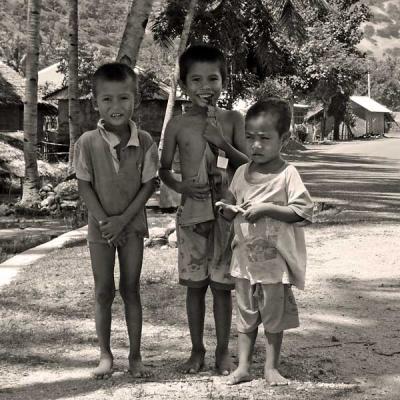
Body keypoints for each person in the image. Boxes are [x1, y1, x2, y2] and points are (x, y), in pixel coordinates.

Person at [159, 44, 248, 375]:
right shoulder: (178, 125)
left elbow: (249, 167)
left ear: (224, 82)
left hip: (227, 215)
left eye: (213, 79)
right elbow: (164, 170)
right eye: (196, 80)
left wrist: (222, 142)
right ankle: (197, 350)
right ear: (184, 85)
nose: (205, 87)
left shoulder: (234, 120)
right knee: (195, 288)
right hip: (192, 216)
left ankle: (223, 352)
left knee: (222, 288)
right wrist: (181, 187)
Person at [216, 98, 313, 386]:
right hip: (244, 264)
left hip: (274, 266)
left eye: (264, 139)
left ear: (283, 139)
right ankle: (244, 367)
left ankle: (271, 368)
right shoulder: (242, 173)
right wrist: (225, 209)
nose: (255, 145)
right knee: (245, 318)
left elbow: (303, 211)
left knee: (273, 319)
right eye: (250, 138)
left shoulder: (287, 174)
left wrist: (268, 209)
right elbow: (230, 203)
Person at [74, 62, 158, 379]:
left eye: (123, 98)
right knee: (103, 291)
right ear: (96, 102)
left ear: (134, 100)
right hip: (100, 229)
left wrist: (122, 220)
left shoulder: (146, 142)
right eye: (107, 99)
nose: (115, 106)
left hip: (132, 227)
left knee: (131, 288)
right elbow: (84, 184)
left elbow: (148, 184)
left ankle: (135, 356)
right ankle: (105, 355)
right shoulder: (87, 143)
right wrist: (106, 221)